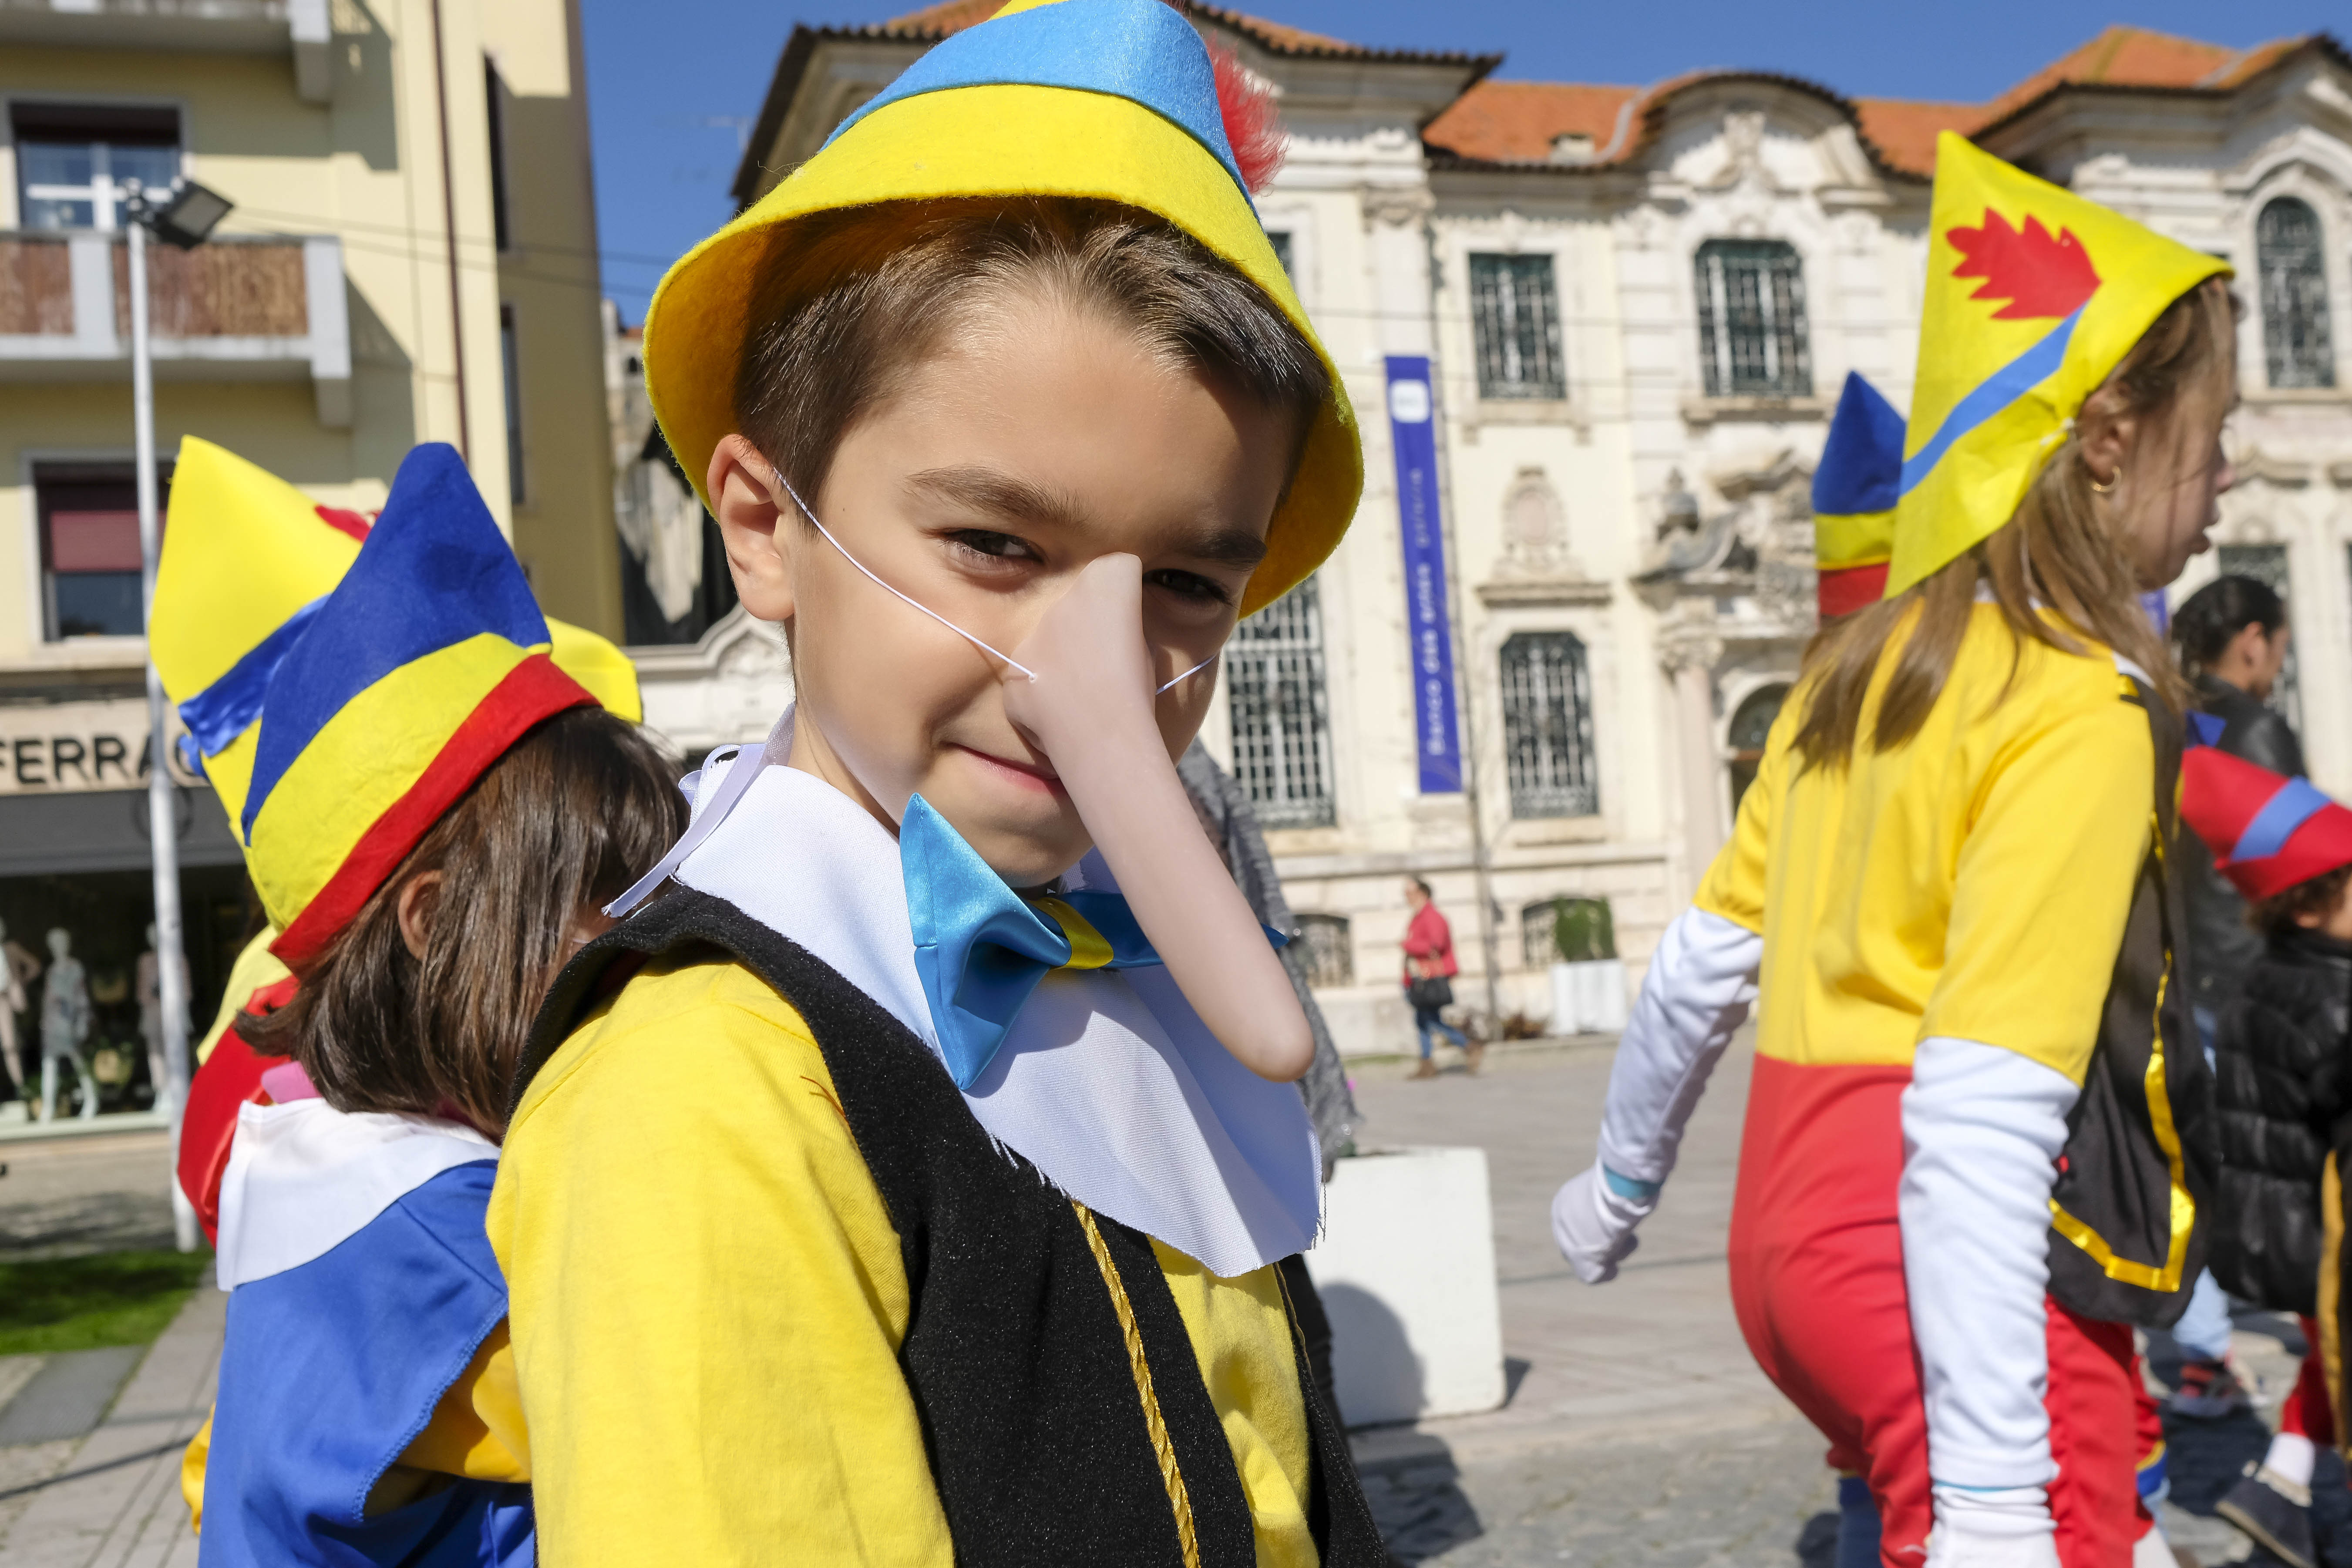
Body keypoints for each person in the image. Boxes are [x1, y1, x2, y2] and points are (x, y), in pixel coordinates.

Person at [488, 2, 1386, 1561]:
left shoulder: (1146, 983)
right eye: (995, 546)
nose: (1083, 685)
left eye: (1185, 579)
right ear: (763, 528)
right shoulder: (706, 1090)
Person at [1549, 131, 2234, 1568]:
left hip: (1780, 1251)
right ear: (2108, 440)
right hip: (1940, 1259)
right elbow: (1981, 1114)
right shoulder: (2078, 702)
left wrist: (1613, 1187)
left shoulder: (1855, 672)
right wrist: (1996, 1514)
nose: (2228, 478)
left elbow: (1690, 972)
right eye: (2209, 436)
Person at [151, 438, 678, 1565]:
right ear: (432, 924)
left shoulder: (337, 1170)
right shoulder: (451, 1239)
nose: (651, 937)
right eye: (607, 897)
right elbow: (693, 1411)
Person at [2180, 744, 2352, 1568]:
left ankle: (2280, 1485)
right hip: (2322, 1236)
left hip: (2273, 1233)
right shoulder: (2332, 998)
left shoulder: (2257, 983)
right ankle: (2283, 1487)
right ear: (2313, 904)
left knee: (2329, 1356)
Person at [1179, 737, 1355, 1415]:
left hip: (1235, 1113)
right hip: (1171, 1106)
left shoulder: (1188, 763)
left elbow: (1253, 913)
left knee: (1301, 1338)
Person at [2164, 574, 2296, 1417]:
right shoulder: (2253, 728)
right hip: (2254, 973)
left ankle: (2198, 1352)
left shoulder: (2168, 720)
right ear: (2252, 638)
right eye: (2279, 646)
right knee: (2300, 1168)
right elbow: (2300, 868)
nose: (2278, 663)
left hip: (2181, 972)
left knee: (2197, 1169)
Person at [1402, 876, 1474, 1077]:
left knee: (1429, 1020)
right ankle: (1427, 1064)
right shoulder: (1418, 917)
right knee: (1423, 1020)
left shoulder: (1432, 916)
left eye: (1409, 893)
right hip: (1418, 978)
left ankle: (1468, 1046)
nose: (1406, 898)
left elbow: (1436, 945)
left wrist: (1407, 945)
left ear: (1422, 894)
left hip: (1429, 978)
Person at [39, 926, 95, 1121]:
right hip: (53, 1023)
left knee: (78, 1061)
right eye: (53, 944)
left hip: (69, 1022)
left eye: (60, 942)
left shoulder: (75, 967)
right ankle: (48, 1106)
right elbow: (48, 999)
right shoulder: (52, 970)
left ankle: (91, 1100)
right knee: (49, 1064)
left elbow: (81, 996)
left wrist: (82, 1020)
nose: (57, 947)